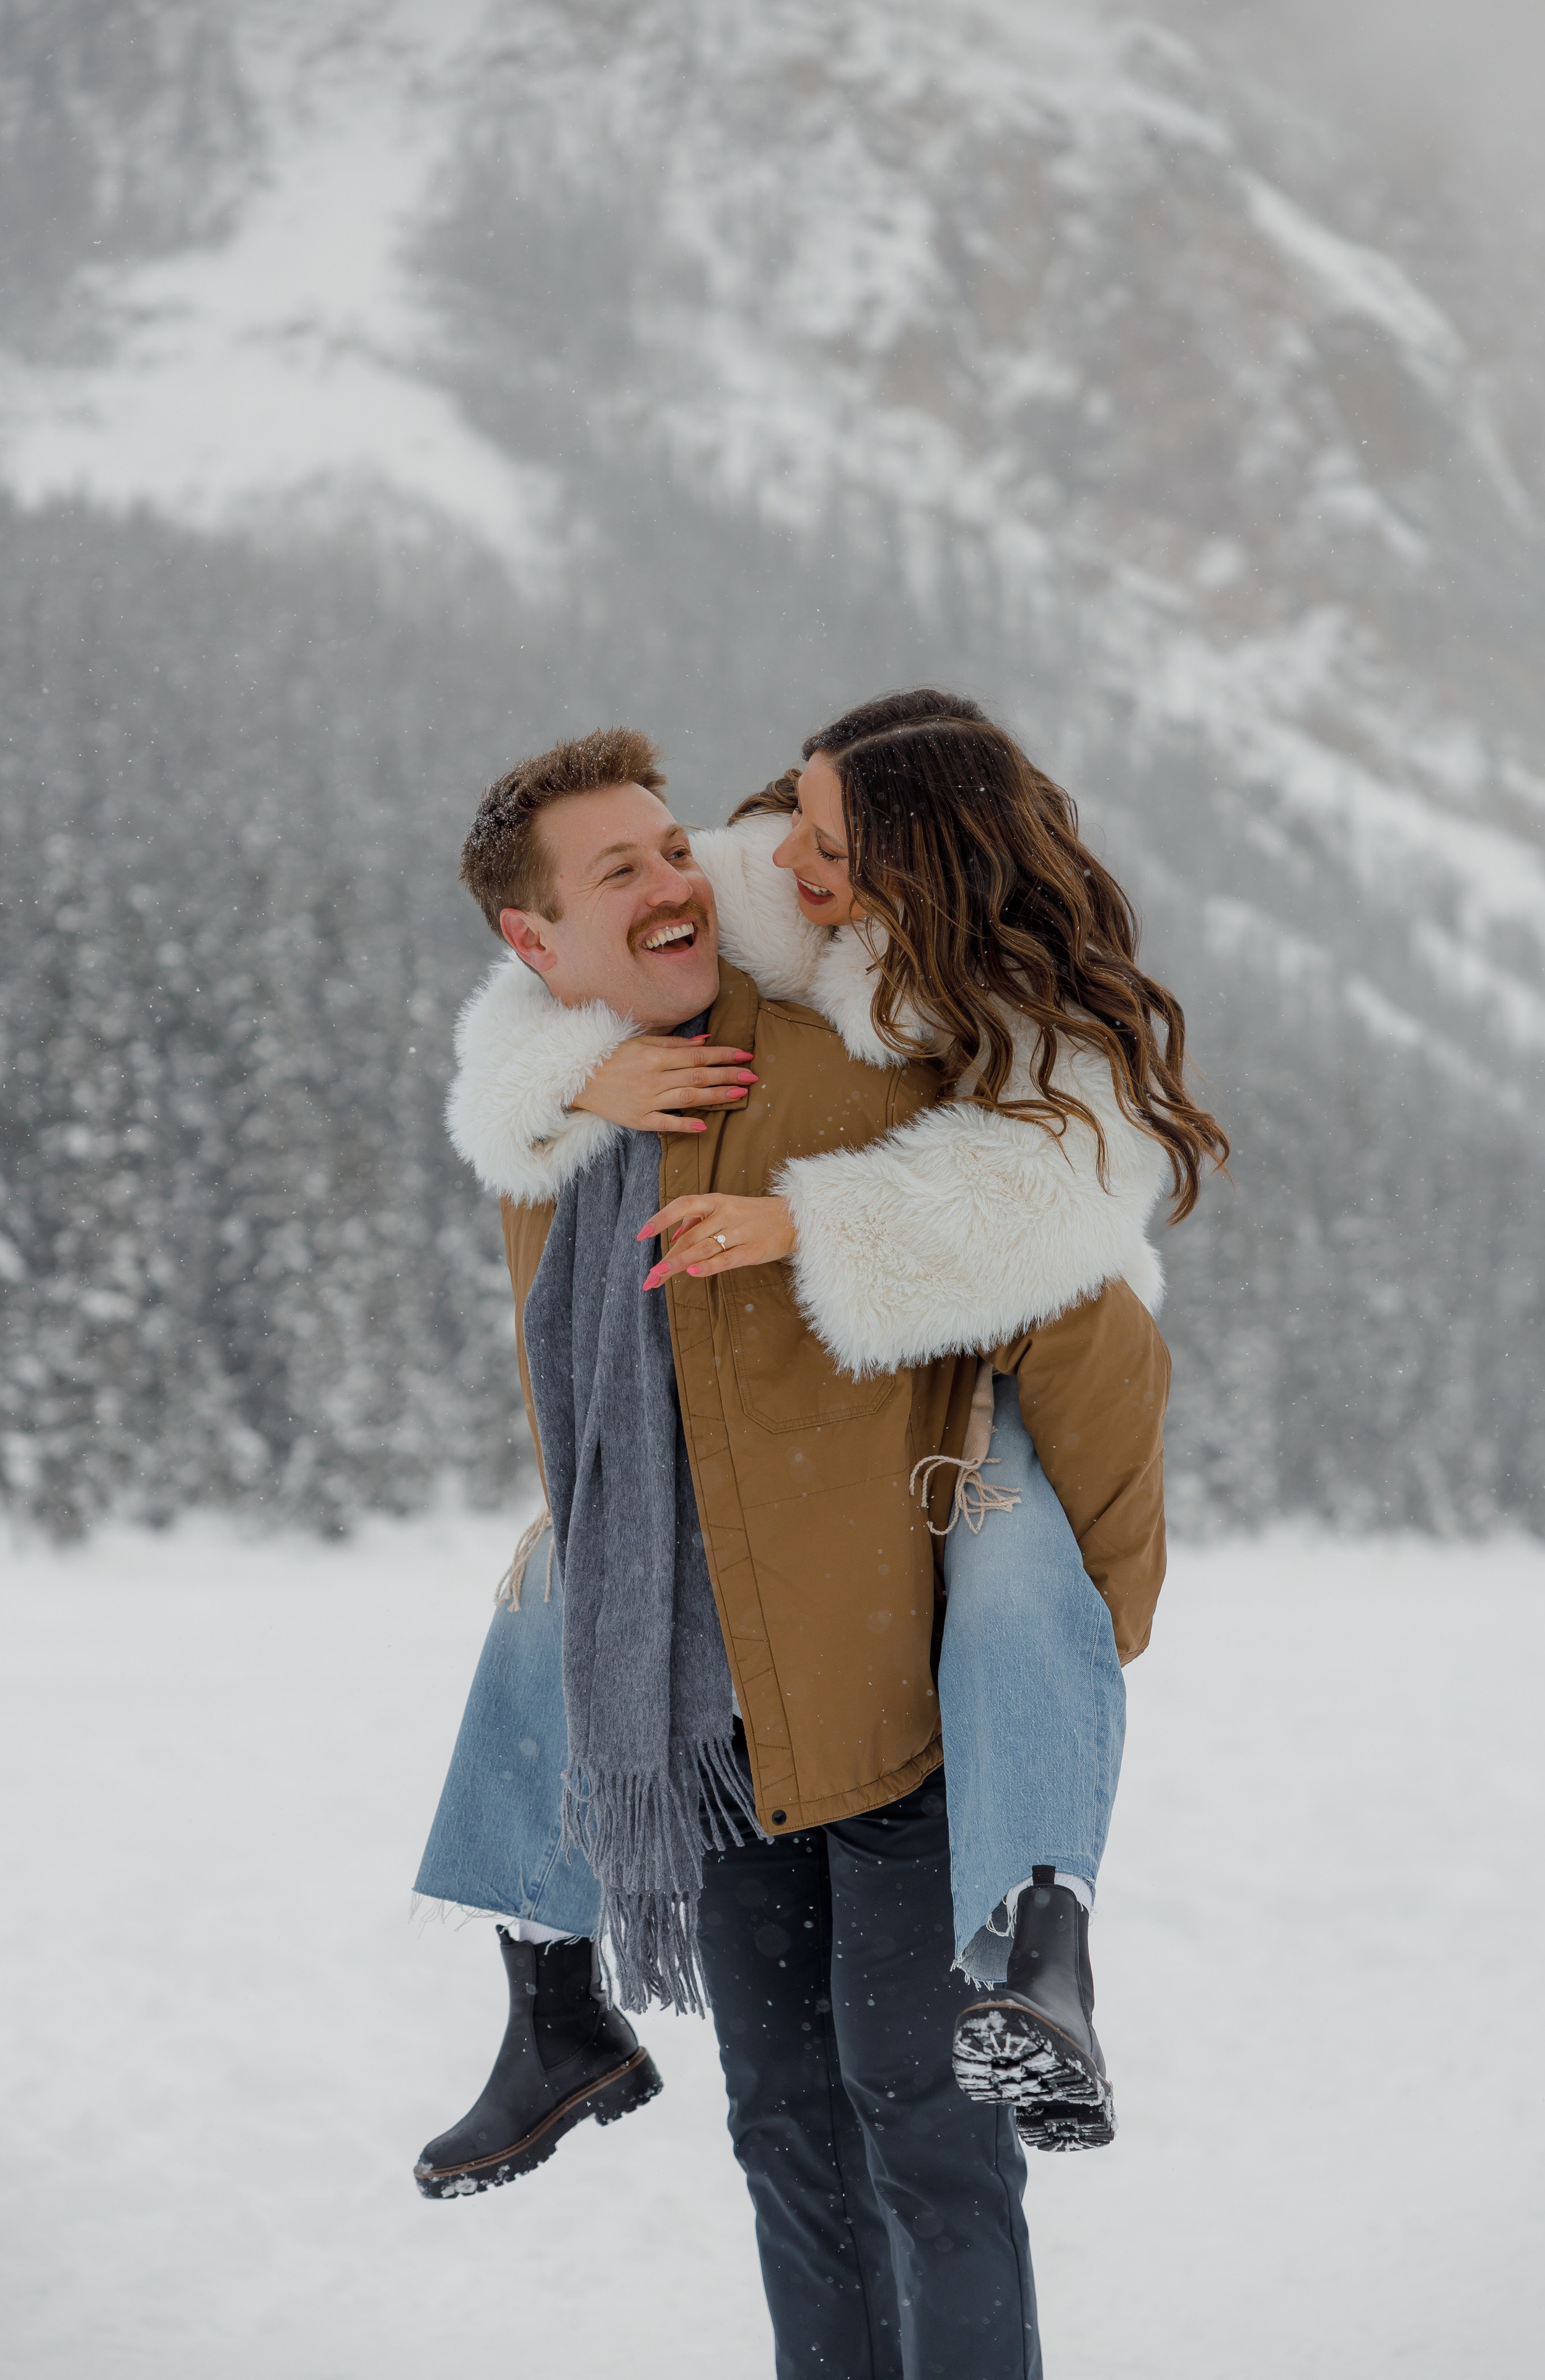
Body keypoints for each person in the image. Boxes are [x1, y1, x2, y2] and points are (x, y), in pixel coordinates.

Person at [412, 704, 1224, 2371]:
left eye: (672, 853)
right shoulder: (557, 1131)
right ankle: (555, 2012)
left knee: (928, 2140)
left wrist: (1087, 1614)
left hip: (897, 1717)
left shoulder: (864, 1057)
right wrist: (566, 1077)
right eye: (614, 872)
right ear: (534, 941)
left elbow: (1080, 1306)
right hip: (709, 1735)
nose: (673, 887)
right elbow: (589, 1436)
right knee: (786, 2139)